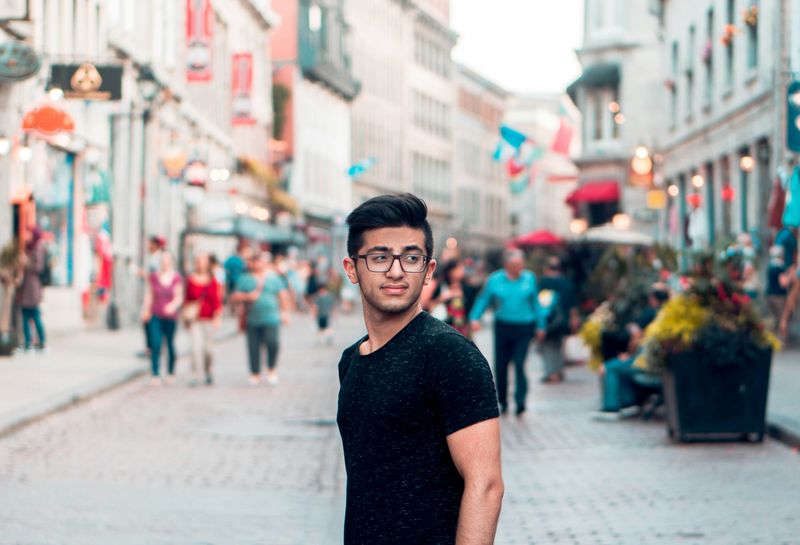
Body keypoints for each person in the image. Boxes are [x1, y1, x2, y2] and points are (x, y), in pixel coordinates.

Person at [338, 194, 503, 545]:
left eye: (411, 258)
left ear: (428, 271)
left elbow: (485, 484)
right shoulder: (351, 360)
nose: (396, 271)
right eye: (379, 257)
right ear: (352, 269)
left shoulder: (450, 356)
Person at [469, 248, 547, 416]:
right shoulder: (495, 279)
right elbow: (484, 299)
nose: (519, 268)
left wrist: (541, 325)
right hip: (503, 326)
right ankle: (503, 400)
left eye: (521, 264)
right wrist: (475, 317)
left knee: (519, 364)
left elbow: (536, 303)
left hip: (525, 327)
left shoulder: (529, 278)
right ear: (507, 265)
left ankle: (520, 401)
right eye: (515, 265)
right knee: (501, 365)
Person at [232, 252, 291, 385]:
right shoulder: (245, 278)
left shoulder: (274, 278)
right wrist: (247, 297)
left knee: (272, 344)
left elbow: (283, 295)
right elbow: (235, 296)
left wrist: (285, 313)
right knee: (253, 347)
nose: (258, 264)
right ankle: (255, 373)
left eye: (261, 261)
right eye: (256, 261)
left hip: (271, 317)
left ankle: (271, 369)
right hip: (252, 318)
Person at [141, 252, 183, 385]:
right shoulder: (154, 277)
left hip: (170, 316)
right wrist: (146, 309)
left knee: (170, 343)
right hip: (156, 313)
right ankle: (155, 373)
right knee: (156, 343)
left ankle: (170, 371)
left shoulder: (176, 277)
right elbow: (149, 294)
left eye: (167, 260)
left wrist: (173, 306)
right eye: (163, 260)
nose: (164, 263)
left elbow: (179, 296)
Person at [184, 253, 223, 385]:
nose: (201, 264)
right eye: (199, 261)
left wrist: (217, 317)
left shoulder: (213, 280)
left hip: (208, 319)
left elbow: (217, 301)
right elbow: (187, 300)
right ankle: (194, 374)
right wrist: (185, 319)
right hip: (195, 319)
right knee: (195, 348)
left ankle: (208, 370)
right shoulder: (191, 279)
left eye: (203, 261)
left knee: (208, 349)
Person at [537, 256, 578, 383]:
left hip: (548, 320)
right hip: (563, 320)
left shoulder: (543, 282)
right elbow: (573, 304)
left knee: (547, 347)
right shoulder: (567, 282)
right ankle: (558, 371)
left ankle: (551, 373)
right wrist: (573, 319)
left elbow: (537, 303)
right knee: (559, 345)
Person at [428, 258, 477, 337]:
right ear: (450, 271)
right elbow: (429, 307)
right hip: (444, 330)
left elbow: (472, 309)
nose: (461, 271)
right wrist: (442, 298)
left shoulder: (468, 289)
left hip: (463, 331)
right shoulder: (441, 287)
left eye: (461, 268)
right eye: (457, 268)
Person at [17, 227, 47, 353]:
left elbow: (39, 267)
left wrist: (26, 262)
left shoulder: (38, 248)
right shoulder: (28, 247)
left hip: (33, 288)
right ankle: (28, 342)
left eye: (28, 233)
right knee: (24, 316)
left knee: (35, 316)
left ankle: (42, 342)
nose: (26, 235)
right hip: (26, 288)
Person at [138, 236, 165, 359]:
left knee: (149, 321)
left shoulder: (157, 259)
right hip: (155, 295)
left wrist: (143, 274)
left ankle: (152, 348)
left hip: (154, 296)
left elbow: (155, 278)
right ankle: (153, 347)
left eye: (150, 244)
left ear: (155, 245)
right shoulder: (157, 258)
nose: (148, 246)